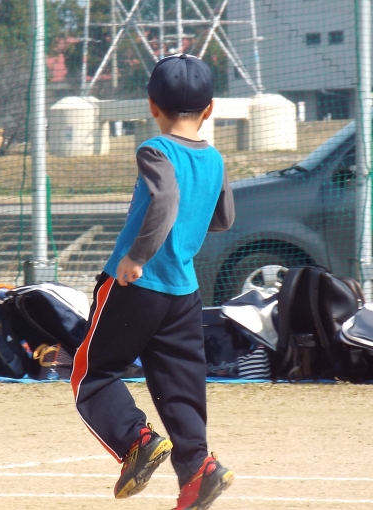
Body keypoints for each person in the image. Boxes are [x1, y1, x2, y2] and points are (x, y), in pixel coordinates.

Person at [70, 53, 235, 510]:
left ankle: (136, 442)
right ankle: (198, 468)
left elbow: (164, 202)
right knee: (180, 385)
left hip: (135, 285)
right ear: (210, 110)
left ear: (151, 105)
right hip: (184, 292)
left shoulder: (155, 149)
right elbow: (223, 218)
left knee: (92, 373)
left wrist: (137, 256)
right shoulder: (215, 158)